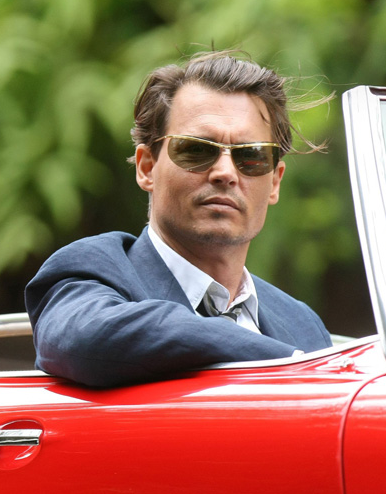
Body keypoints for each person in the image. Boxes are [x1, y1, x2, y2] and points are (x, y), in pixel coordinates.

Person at [25, 51, 332, 387]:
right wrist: (290, 363)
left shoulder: (302, 325)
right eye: (196, 150)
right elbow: (83, 339)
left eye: (251, 156)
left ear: (274, 182)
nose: (226, 173)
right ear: (147, 167)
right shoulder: (92, 274)